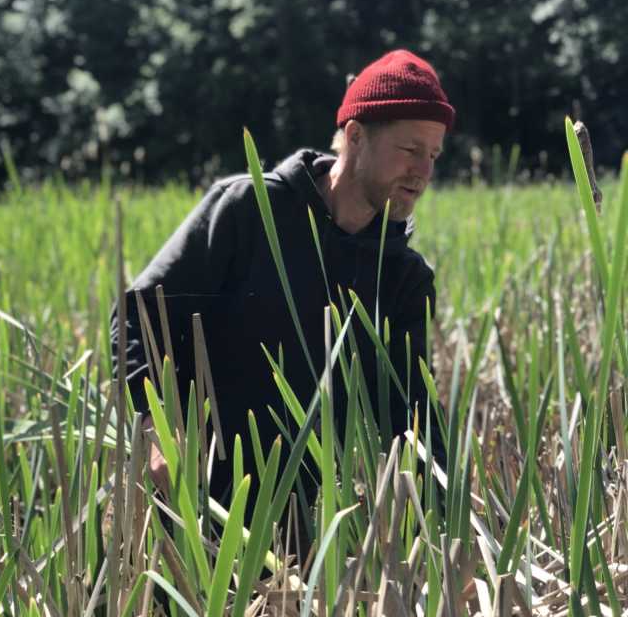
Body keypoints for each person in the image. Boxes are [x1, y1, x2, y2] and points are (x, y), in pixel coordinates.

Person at [111, 49, 453, 525]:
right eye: (411, 150)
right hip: (184, 508)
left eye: (434, 155)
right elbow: (141, 316)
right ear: (355, 136)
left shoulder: (403, 278)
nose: (425, 172)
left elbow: (411, 415)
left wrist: (447, 524)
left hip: (301, 536)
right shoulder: (248, 209)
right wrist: (157, 433)